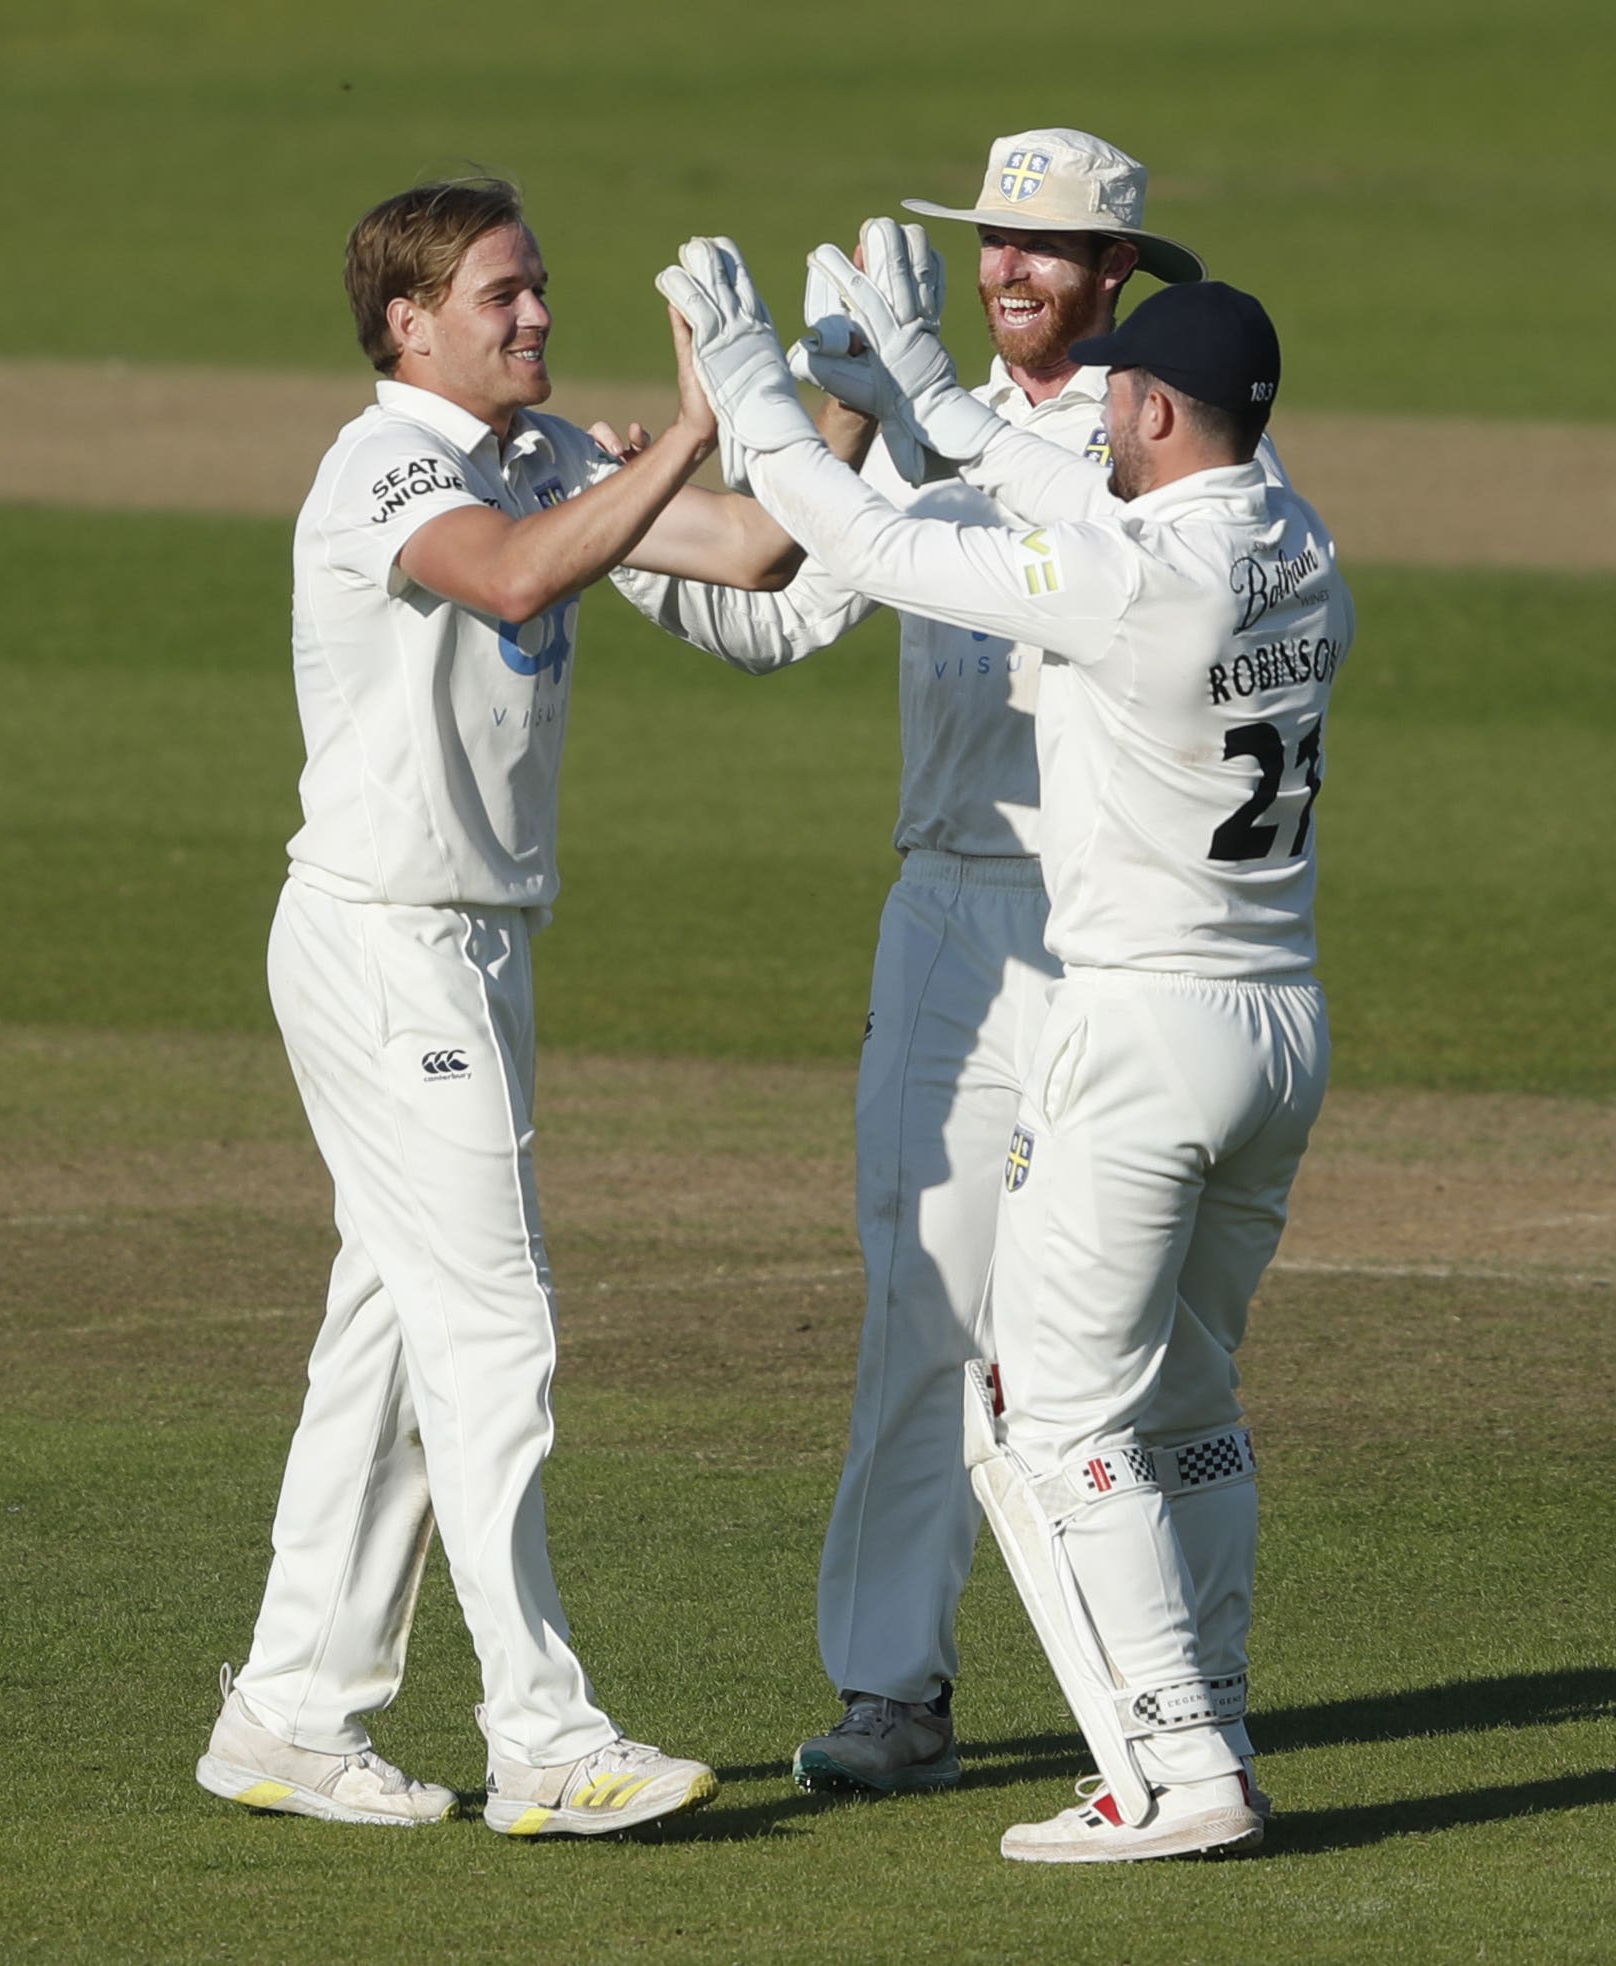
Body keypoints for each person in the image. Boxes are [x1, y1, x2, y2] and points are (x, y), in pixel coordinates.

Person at [660, 244, 1350, 1861]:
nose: (1093, 413)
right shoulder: (1293, 530)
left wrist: (757, 377)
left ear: (1160, 409)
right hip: (1280, 1023)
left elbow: (861, 539)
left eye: (1116, 398)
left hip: (1139, 1026)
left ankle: (1174, 1768)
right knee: (1185, 1396)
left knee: (1044, 1416)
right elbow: (1063, 480)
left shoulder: (1129, 578)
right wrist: (927, 388)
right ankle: (1218, 1713)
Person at [195, 177, 807, 1840]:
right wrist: (681, 434)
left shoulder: (537, 456)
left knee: (390, 1335)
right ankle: (543, 1733)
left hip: (475, 945)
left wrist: (842, 406)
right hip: (386, 942)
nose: (536, 316)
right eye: (501, 296)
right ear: (408, 323)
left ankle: (289, 1710)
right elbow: (518, 582)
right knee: (493, 1329)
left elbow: (754, 548)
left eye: (538, 289)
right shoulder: (382, 462)